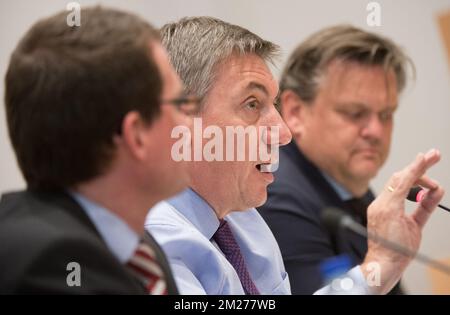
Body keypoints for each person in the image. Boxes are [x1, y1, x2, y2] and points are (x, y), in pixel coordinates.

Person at [145, 17, 444, 295]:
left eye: (271, 104)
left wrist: (383, 265)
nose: (282, 132)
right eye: (252, 104)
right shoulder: (150, 245)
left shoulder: (243, 219)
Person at [0, 7, 195, 294]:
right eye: (180, 105)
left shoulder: (139, 250)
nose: (192, 123)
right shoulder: (49, 264)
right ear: (136, 133)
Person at [257, 25, 414, 294]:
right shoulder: (276, 196)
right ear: (295, 112)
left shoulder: (347, 184)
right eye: (354, 113)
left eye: (386, 114)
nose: (375, 131)